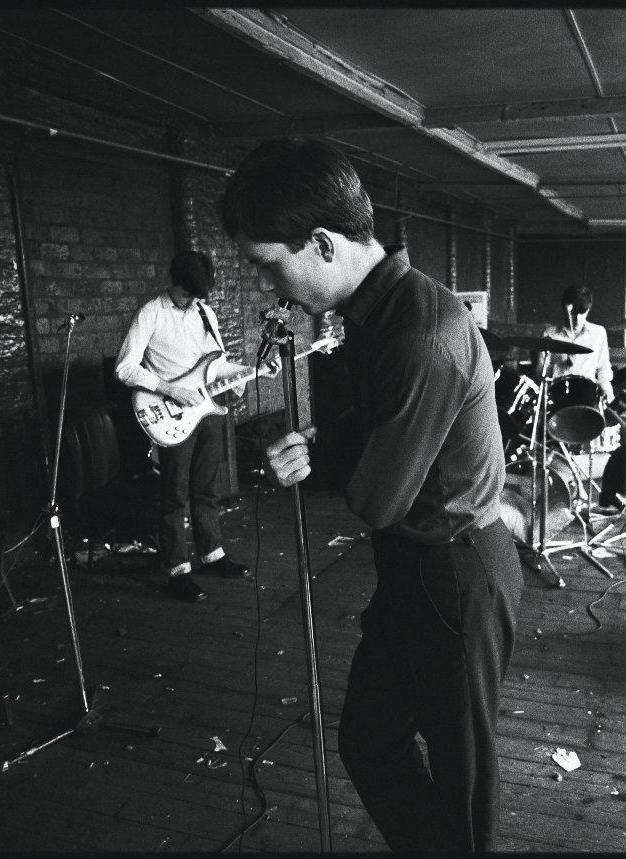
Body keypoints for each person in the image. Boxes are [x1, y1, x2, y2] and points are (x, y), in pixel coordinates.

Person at [223, 138, 522, 852]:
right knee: (369, 738)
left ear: (322, 244)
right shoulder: (378, 313)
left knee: (464, 780)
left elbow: (377, 501)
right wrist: (321, 444)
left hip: (455, 575)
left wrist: (337, 461)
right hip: (415, 569)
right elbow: (376, 426)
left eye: (271, 265)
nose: (272, 287)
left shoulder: (418, 333)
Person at [115, 250, 253, 603]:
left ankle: (212, 555)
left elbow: (214, 363)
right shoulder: (150, 313)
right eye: (188, 294)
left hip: (205, 411)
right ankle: (177, 570)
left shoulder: (204, 313)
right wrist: (169, 389)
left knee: (206, 487)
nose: (193, 301)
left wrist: (241, 373)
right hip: (171, 412)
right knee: (174, 493)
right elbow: (124, 368)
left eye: (198, 295)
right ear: (174, 282)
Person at [541, 285, 626, 513]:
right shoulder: (550, 334)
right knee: (537, 441)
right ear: (564, 309)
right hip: (560, 402)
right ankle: (549, 500)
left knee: (624, 434)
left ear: (588, 310)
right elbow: (539, 374)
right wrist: (556, 363)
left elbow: (603, 368)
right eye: (571, 313)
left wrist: (607, 389)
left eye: (580, 314)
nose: (576, 318)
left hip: (588, 400)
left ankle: (611, 495)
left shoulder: (598, 333)